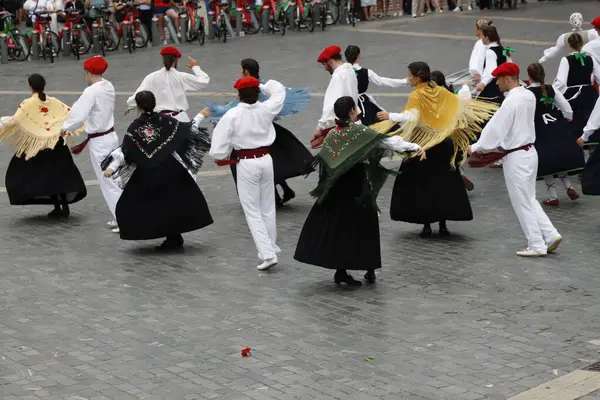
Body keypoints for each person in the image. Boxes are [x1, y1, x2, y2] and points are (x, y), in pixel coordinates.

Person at [295, 96, 425, 286]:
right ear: (352, 111)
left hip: (335, 188)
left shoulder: (333, 134)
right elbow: (387, 143)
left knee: (340, 227)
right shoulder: (359, 132)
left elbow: (326, 161)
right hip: (356, 185)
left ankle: (342, 270)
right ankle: (368, 268)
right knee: (364, 225)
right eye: (355, 108)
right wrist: (415, 147)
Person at [378, 62, 497, 238]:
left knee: (422, 184)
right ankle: (443, 224)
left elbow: (412, 117)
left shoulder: (417, 95)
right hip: (443, 144)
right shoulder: (440, 91)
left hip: (424, 145)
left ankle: (426, 225)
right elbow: (457, 105)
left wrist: (390, 116)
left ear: (418, 77)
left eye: (410, 75)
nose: (408, 78)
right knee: (444, 184)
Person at [101, 91, 213, 251]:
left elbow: (125, 150)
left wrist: (111, 167)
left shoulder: (135, 127)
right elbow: (186, 129)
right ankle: (174, 236)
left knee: (143, 204)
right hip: (170, 168)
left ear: (138, 106)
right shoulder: (164, 120)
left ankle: (170, 237)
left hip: (148, 172)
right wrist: (200, 115)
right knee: (172, 202)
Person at [470, 63, 562, 257]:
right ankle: (550, 234)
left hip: (516, 156)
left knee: (521, 201)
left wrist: (476, 146)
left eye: (498, 79)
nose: (496, 83)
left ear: (507, 79)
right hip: (529, 151)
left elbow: (496, 128)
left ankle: (536, 244)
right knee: (529, 198)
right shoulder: (527, 94)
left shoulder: (512, 101)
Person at [207, 58, 313, 208]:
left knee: (270, 163)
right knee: (275, 162)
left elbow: (240, 106)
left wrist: (219, 111)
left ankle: (273, 199)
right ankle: (284, 190)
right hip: (266, 130)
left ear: (246, 71)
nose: (239, 71)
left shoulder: (252, 87)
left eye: (241, 69)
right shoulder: (261, 84)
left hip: (254, 132)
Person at [209, 77, 286, 271]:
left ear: (238, 95)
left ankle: (267, 253)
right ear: (257, 93)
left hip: (246, 163)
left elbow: (218, 149)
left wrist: (222, 155)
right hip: (266, 160)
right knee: (267, 207)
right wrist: (263, 85)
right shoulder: (267, 109)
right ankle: (270, 247)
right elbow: (279, 90)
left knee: (252, 210)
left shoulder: (232, 115)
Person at [0, 74, 86, 217]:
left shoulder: (27, 104)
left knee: (38, 176)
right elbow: (69, 114)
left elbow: (16, 121)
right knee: (58, 175)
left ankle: (58, 206)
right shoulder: (54, 102)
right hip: (56, 145)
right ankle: (62, 206)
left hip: (39, 148)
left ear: (30, 87)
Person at [62, 56, 123, 233]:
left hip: (99, 141)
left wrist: (65, 128)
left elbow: (78, 116)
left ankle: (123, 218)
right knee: (116, 178)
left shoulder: (91, 91)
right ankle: (120, 214)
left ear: (88, 73)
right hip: (110, 135)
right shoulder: (108, 86)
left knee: (108, 180)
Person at [527, 63, 584, 206]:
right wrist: (565, 120)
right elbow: (567, 109)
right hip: (556, 127)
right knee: (557, 159)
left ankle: (553, 196)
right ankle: (569, 187)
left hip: (539, 129)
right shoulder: (551, 89)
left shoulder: (527, 93)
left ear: (529, 76)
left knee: (547, 162)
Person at [126, 47, 210, 123]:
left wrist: (131, 105)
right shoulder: (181, 76)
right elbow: (203, 81)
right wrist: (195, 67)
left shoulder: (151, 77)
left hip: (160, 120)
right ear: (176, 60)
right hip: (180, 119)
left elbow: (138, 95)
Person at [431, 70, 475, 192]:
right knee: (451, 158)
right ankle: (457, 175)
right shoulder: (450, 94)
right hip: (454, 134)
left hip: (443, 133)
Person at [554, 33, 600, 149]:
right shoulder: (590, 59)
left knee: (563, 112)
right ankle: (590, 139)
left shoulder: (566, 60)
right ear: (582, 44)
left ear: (569, 46)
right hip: (589, 93)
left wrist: (553, 93)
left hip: (574, 93)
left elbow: (561, 82)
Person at [344, 45, 408, 126]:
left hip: (346, 104)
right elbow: (382, 81)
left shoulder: (340, 73)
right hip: (363, 104)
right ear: (358, 56)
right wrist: (403, 81)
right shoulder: (366, 72)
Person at [312, 45, 359, 149]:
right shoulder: (350, 70)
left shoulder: (338, 77)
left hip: (345, 125)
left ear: (330, 61)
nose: (324, 68)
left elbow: (331, 103)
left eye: (324, 64)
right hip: (356, 119)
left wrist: (320, 126)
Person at [476, 25, 513, 104]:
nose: (481, 38)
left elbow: (491, 71)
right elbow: (510, 65)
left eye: (482, 36)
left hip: (491, 88)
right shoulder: (502, 49)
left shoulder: (491, 52)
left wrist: (483, 83)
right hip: (502, 86)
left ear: (487, 37)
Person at [469, 20, 492, 84]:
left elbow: (479, 59)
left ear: (479, 30)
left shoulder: (481, 43)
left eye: (475, 28)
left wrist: (476, 72)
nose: (474, 30)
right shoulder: (484, 41)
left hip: (481, 77)